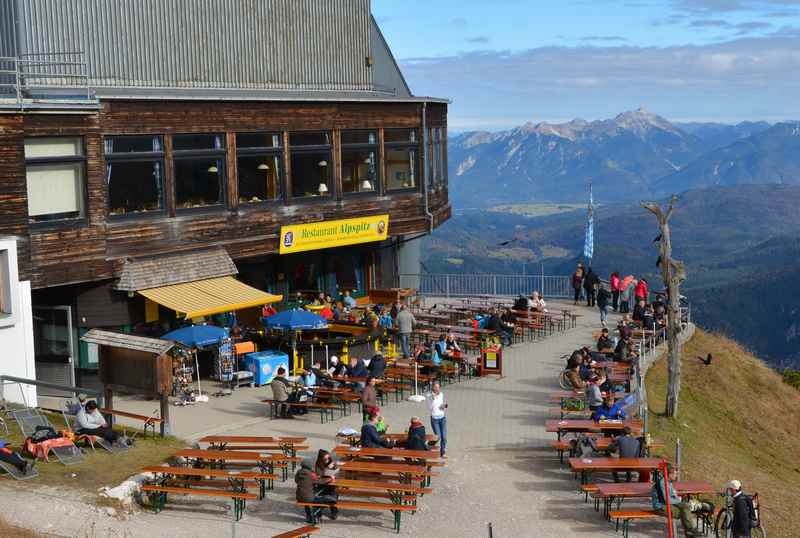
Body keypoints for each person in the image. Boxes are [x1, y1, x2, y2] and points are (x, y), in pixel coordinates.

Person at [652, 464, 714, 537]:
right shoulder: (663, 483)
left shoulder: (668, 481)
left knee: (686, 508)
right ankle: (690, 531)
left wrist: (679, 500)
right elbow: (666, 500)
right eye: (675, 473)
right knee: (685, 512)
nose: (676, 476)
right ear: (669, 474)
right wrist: (679, 502)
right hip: (661, 507)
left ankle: (690, 532)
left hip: (668, 504)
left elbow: (672, 495)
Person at [426, 381, 447, 458]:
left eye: (438, 387)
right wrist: (433, 398)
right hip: (434, 419)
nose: (438, 389)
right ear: (433, 388)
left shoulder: (441, 394)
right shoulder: (428, 395)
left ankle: (443, 452)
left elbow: (440, 404)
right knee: (438, 437)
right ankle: (427, 446)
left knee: (444, 437)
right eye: (436, 387)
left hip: (442, 417)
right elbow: (430, 408)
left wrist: (443, 406)